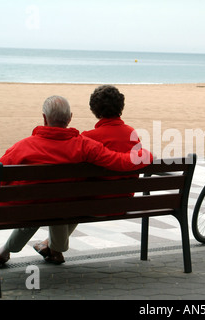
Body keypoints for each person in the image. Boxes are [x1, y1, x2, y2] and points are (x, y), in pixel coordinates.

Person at [0, 95, 152, 280]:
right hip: (56, 207)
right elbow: (117, 160)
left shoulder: (24, 145)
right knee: (40, 203)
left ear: (44, 118)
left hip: (25, 207)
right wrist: (144, 155)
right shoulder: (86, 146)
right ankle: (6, 251)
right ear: (70, 118)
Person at [32, 85, 143, 261]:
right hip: (124, 202)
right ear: (120, 107)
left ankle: (55, 249)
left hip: (95, 205)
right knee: (80, 195)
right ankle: (50, 246)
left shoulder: (88, 137)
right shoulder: (132, 133)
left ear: (94, 110)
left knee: (70, 196)